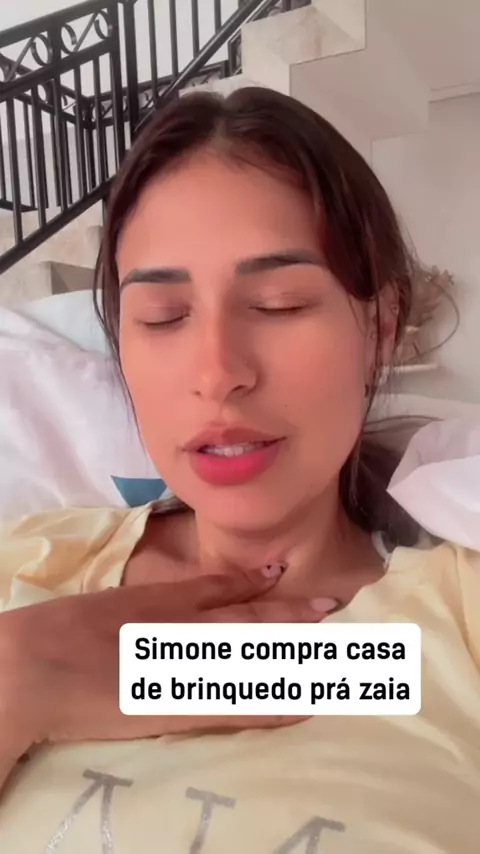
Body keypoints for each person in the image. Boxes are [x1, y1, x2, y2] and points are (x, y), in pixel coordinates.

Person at [0, 87, 479, 853]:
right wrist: (22, 678)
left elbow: (371, 672)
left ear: (382, 326)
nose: (218, 373)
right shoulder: (29, 565)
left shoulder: (460, 624)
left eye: (280, 304)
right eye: (163, 317)